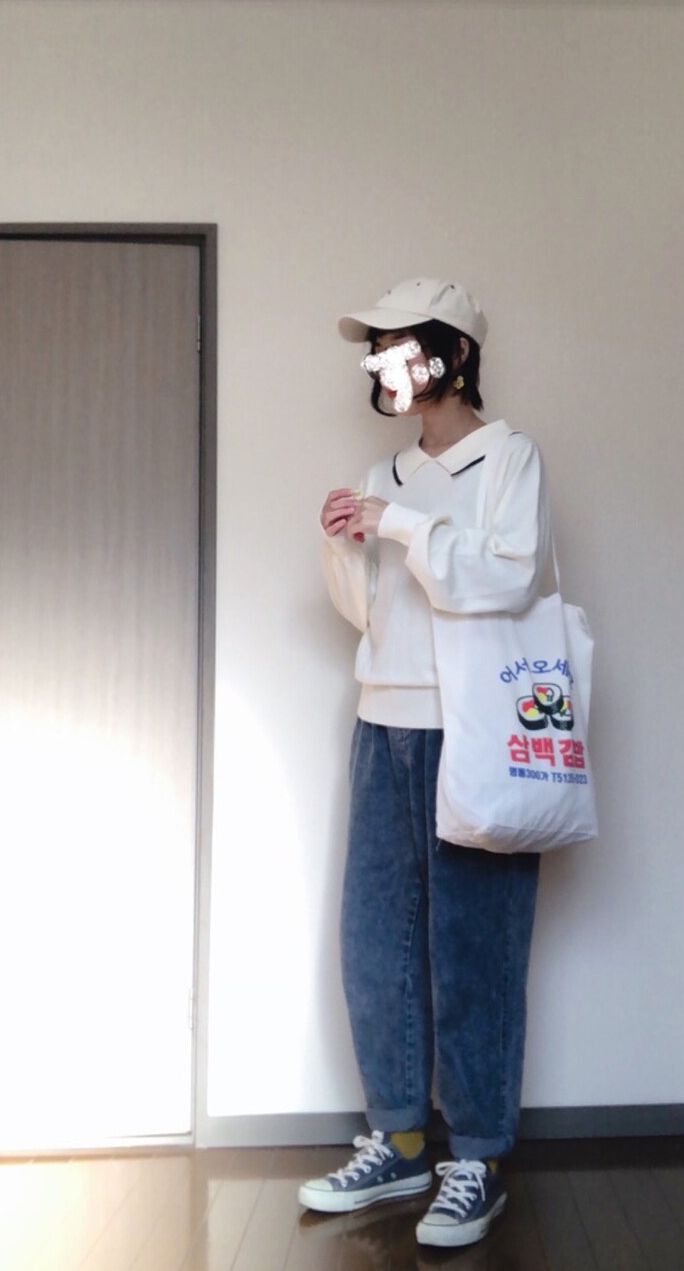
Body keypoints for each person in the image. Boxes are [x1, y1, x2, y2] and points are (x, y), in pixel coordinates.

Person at [300, 277, 553, 1250]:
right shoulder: (385, 469)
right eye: (378, 351)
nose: (382, 366)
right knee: (377, 943)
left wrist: (397, 525)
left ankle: (476, 1155)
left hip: (475, 727)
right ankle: (400, 1139)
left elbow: (504, 580)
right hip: (383, 721)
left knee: (474, 946)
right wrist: (341, 545)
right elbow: (373, 613)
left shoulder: (509, 456)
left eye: (399, 346)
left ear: (454, 353)